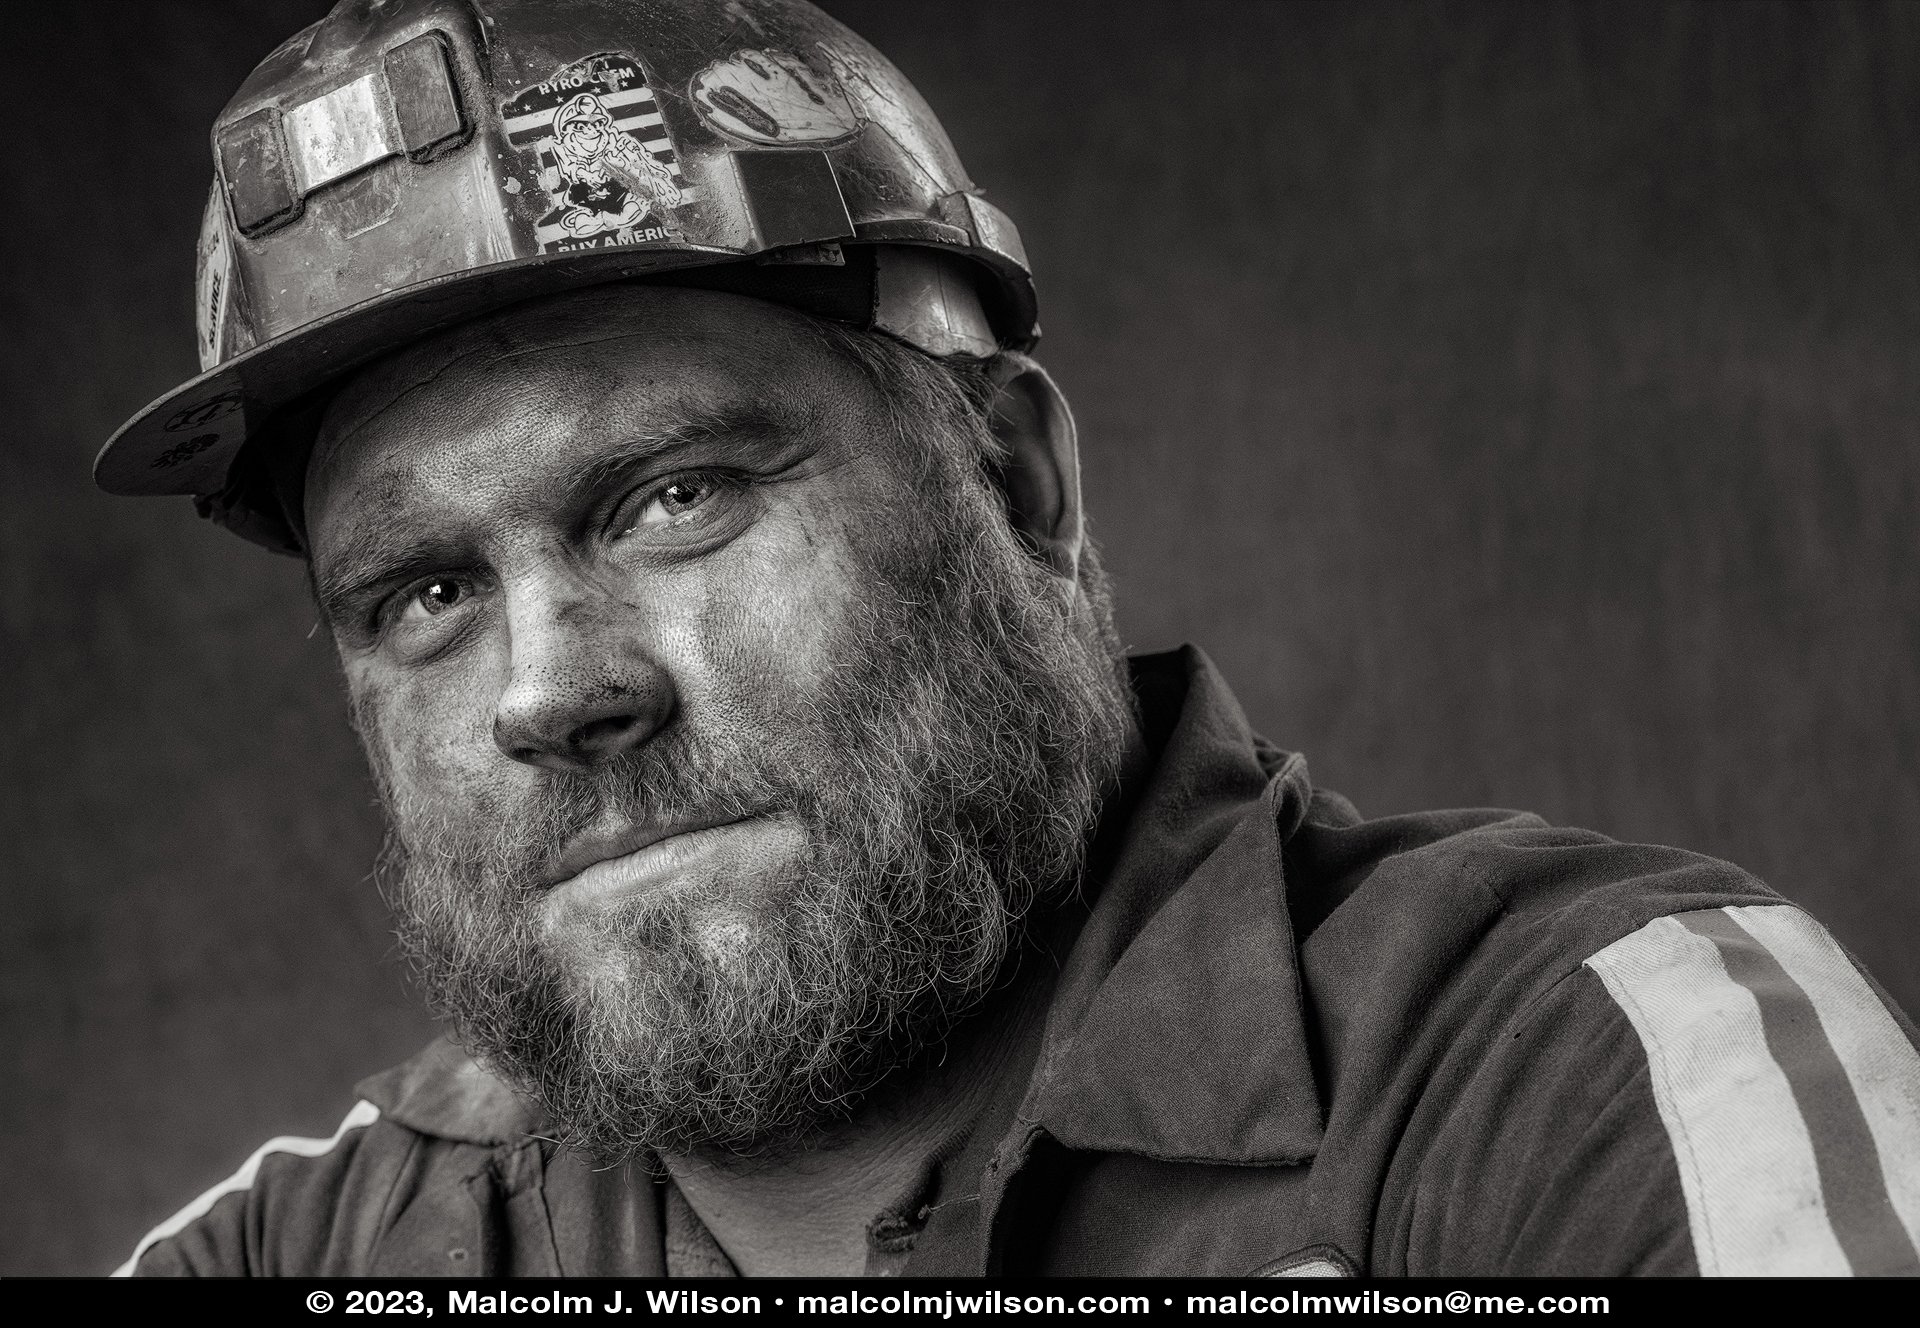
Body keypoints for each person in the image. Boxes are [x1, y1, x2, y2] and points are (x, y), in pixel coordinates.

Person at [100, 0, 1920, 1279]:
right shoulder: (296, 1249)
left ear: (1019, 481)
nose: (555, 688)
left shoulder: (1592, 1071)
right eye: (424, 596)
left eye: (674, 498)